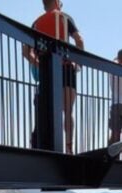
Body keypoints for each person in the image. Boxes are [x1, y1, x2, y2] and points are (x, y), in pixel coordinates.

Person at [23, 0, 85, 154]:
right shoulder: (64, 17)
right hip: (65, 69)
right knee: (67, 110)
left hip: (47, 71)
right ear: (57, 2)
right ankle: (69, 148)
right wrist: (78, 63)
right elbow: (79, 40)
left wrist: (38, 64)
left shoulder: (36, 23)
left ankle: (47, 147)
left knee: (48, 110)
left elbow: (25, 51)